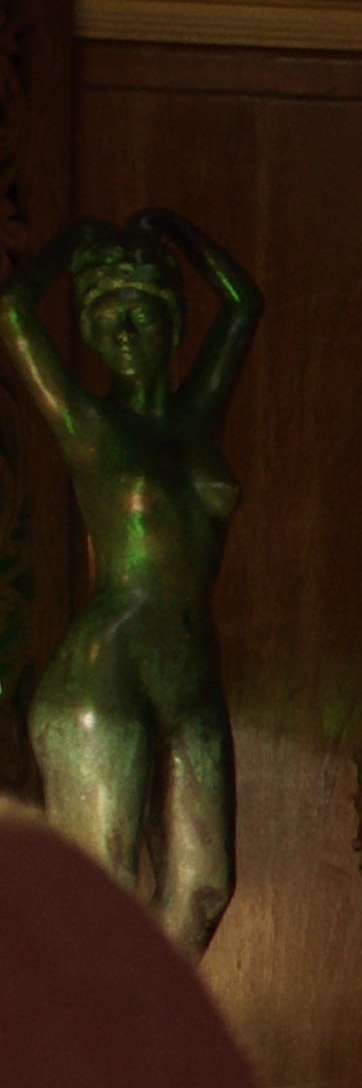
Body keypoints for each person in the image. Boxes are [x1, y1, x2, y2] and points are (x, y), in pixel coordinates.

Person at [1, 210, 257, 953]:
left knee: (204, 888)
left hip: (190, 673)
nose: (121, 331)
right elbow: (13, 311)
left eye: (139, 312)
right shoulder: (88, 426)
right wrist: (70, 243)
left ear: (172, 324)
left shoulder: (198, 416)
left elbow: (244, 304)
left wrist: (177, 230)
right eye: (102, 316)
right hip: (104, 674)